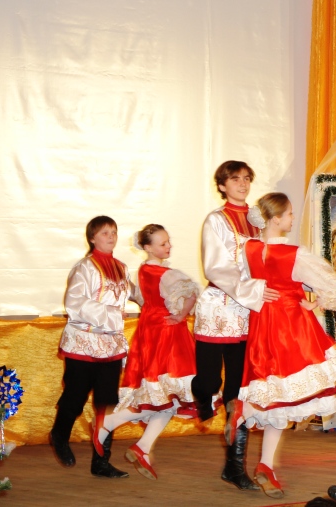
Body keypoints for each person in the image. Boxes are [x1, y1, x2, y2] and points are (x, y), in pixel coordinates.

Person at [233, 193, 336, 497]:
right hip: (291, 326)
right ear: (276, 219)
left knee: (280, 393)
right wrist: (317, 304)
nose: (292, 218)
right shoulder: (293, 254)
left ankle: (265, 464)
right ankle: (245, 410)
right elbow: (332, 285)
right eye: (288, 214)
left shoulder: (247, 248)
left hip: (262, 323)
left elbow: (239, 282)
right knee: (314, 384)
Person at [193, 160, 278, 490]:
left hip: (250, 313)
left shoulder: (258, 221)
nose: (242, 184)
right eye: (235, 179)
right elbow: (216, 268)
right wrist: (253, 290)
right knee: (209, 380)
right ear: (222, 185)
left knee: (239, 389)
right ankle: (201, 394)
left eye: (246, 179)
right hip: (219, 309)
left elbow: (271, 259)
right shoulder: (216, 220)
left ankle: (234, 466)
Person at [95, 224, 199, 479]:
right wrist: (182, 315)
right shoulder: (166, 274)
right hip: (167, 335)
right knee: (167, 394)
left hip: (150, 332)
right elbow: (192, 294)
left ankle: (142, 447)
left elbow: (143, 299)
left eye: (168, 241)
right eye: (163, 244)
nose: (168, 246)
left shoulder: (143, 271)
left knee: (168, 397)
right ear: (148, 247)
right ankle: (109, 422)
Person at [49, 216, 142, 478]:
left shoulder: (121, 268)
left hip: (110, 346)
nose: (110, 236)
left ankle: (101, 462)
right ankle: (59, 434)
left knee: (107, 404)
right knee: (75, 396)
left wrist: (157, 301)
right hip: (83, 343)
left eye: (113, 232)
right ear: (92, 238)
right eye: (104, 233)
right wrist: (112, 314)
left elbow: (134, 292)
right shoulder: (84, 268)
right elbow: (75, 302)